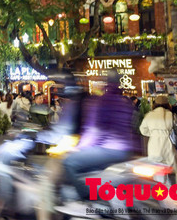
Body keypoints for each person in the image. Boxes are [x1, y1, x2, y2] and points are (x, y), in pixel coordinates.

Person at [56, 72, 139, 217]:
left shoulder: (103, 101)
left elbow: (93, 131)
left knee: (69, 162)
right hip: (127, 151)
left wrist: (78, 148)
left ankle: (85, 200)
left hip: (108, 150)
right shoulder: (126, 102)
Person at [139, 95, 176, 184]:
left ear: (154, 104)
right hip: (168, 143)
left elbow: (143, 130)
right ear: (167, 104)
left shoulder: (149, 115)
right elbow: (176, 130)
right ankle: (173, 192)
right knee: (170, 169)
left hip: (154, 144)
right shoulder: (171, 114)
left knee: (157, 169)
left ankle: (160, 193)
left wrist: (152, 134)